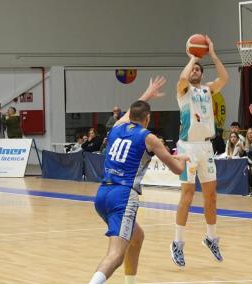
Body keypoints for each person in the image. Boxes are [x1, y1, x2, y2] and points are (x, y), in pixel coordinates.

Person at [89, 76, 189, 284]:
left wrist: (148, 93)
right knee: (116, 255)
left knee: (137, 237)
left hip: (102, 195)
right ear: (148, 119)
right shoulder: (148, 137)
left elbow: (132, 111)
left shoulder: (116, 127)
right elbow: (177, 169)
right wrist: (185, 160)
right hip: (123, 196)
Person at [171, 35, 228, 267]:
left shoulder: (207, 89)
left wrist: (212, 54)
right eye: (193, 69)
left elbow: (224, 77)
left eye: (198, 69)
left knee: (211, 196)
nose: (195, 71)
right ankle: (177, 243)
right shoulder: (183, 91)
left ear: (202, 74)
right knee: (187, 196)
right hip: (187, 148)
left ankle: (211, 237)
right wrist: (193, 56)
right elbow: (183, 77)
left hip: (206, 146)